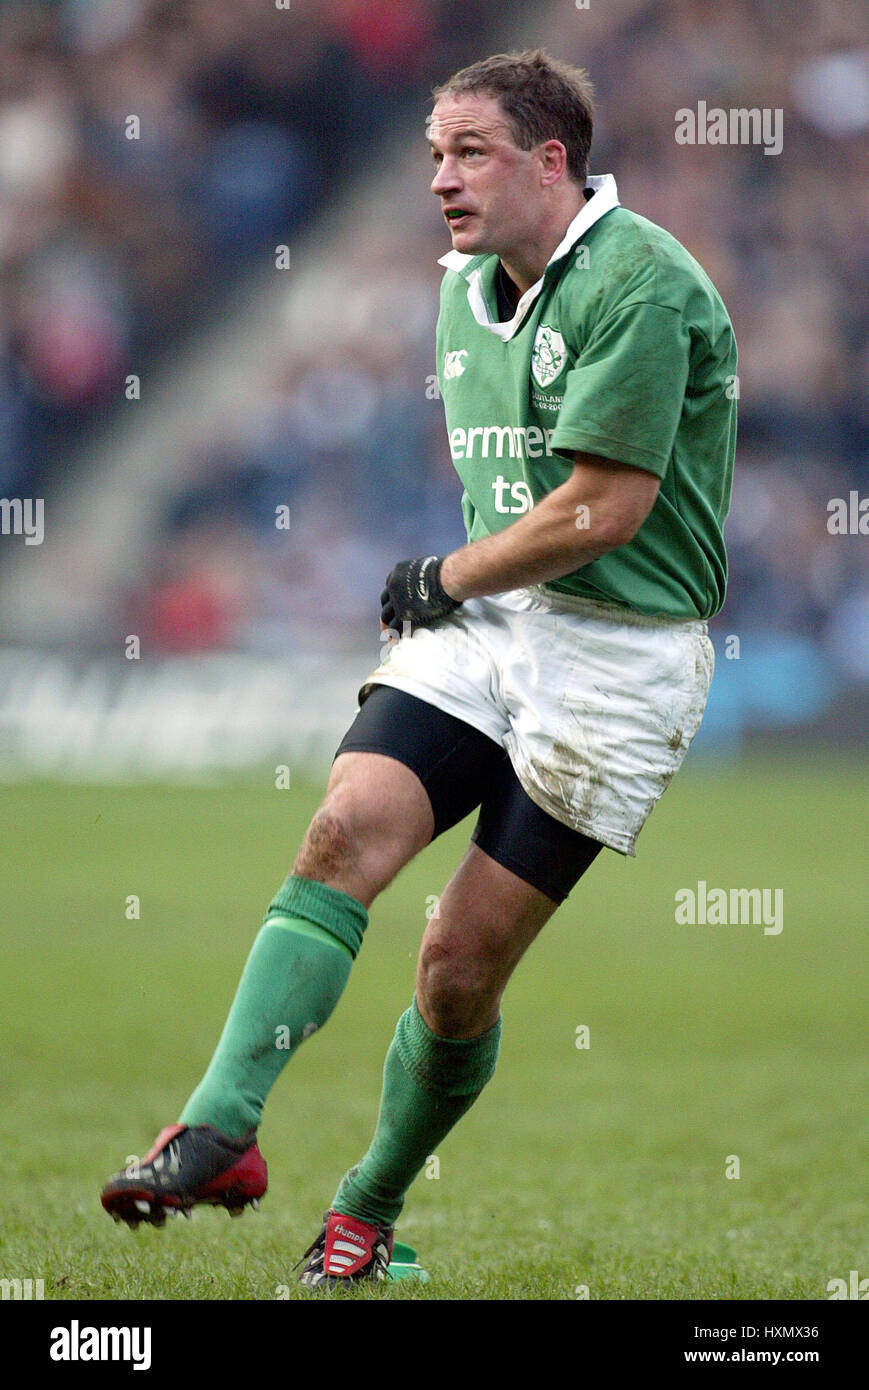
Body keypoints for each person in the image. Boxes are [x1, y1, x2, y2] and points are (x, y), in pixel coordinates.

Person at [101, 49, 736, 1289]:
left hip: (614, 656)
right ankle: (218, 1128)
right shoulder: (460, 288)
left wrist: (446, 575)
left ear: (550, 160)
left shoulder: (643, 285)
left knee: (453, 972)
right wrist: (463, 591)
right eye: (433, 155)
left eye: (468, 154)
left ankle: (368, 1208)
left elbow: (603, 507)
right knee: (341, 832)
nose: (439, 178)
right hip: (490, 625)